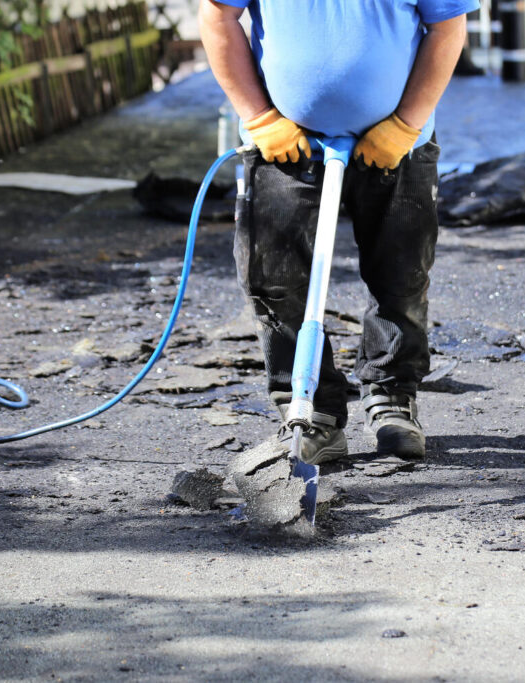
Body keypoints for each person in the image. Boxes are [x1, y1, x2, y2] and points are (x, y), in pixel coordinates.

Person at [198, 0, 477, 463]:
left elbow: (447, 29)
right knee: (274, 279)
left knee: (400, 276)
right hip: (283, 142)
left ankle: (392, 397)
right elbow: (216, 17)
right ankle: (312, 410)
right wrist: (258, 116)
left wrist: (406, 123)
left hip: (399, 144)